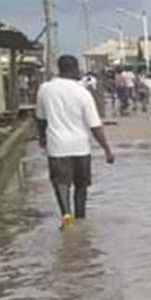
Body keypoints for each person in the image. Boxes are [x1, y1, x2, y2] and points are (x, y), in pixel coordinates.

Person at [36, 55, 116, 230]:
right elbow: (95, 126)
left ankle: (66, 215)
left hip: (57, 147)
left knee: (61, 183)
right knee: (81, 186)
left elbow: (41, 120)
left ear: (59, 68)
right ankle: (80, 218)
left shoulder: (45, 89)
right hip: (80, 147)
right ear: (75, 69)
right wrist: (107, 150)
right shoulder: (82, 93)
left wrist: (42, 139)